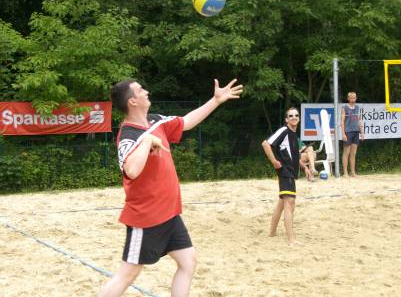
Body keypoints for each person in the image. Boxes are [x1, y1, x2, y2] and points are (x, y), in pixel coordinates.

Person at [98, 78, 242, 297]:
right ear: (132, 101)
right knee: (127, 275)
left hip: (169, 214)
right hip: (146, 219)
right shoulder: (128, 135)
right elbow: (132, 170)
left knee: (188, 261)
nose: (146, 91)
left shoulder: (156, 121)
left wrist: (216, 100)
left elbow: (186, 122)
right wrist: (147, 143)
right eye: (140, 90)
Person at [261, 107, 311, 246]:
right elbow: (265, 144)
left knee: (282, 203)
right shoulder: (284, 131)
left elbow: (294, 157)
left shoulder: (294, 135)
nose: (294, 117)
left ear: (299, 118)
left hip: (290, 172)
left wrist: (304, 167)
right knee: (290, 204)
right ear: (286, 119)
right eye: (291, 115)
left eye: (296, 115)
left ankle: (272, 232)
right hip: (285, 172)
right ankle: (291, 240)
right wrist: (274, 162)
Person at [341, 92, 364, 177]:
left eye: (354, 98)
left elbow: (359, 120)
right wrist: (343, 133)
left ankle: (352, 172)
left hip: (356, 131)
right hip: (348, 131)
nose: (353, 100)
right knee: (346, 152)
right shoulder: (344, 108)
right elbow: (342, 121)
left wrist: (362, 132)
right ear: (348, 98)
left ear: (356, 98)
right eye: (351, 98)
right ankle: (345, 172)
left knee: (353, 153)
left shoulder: (357, 108)